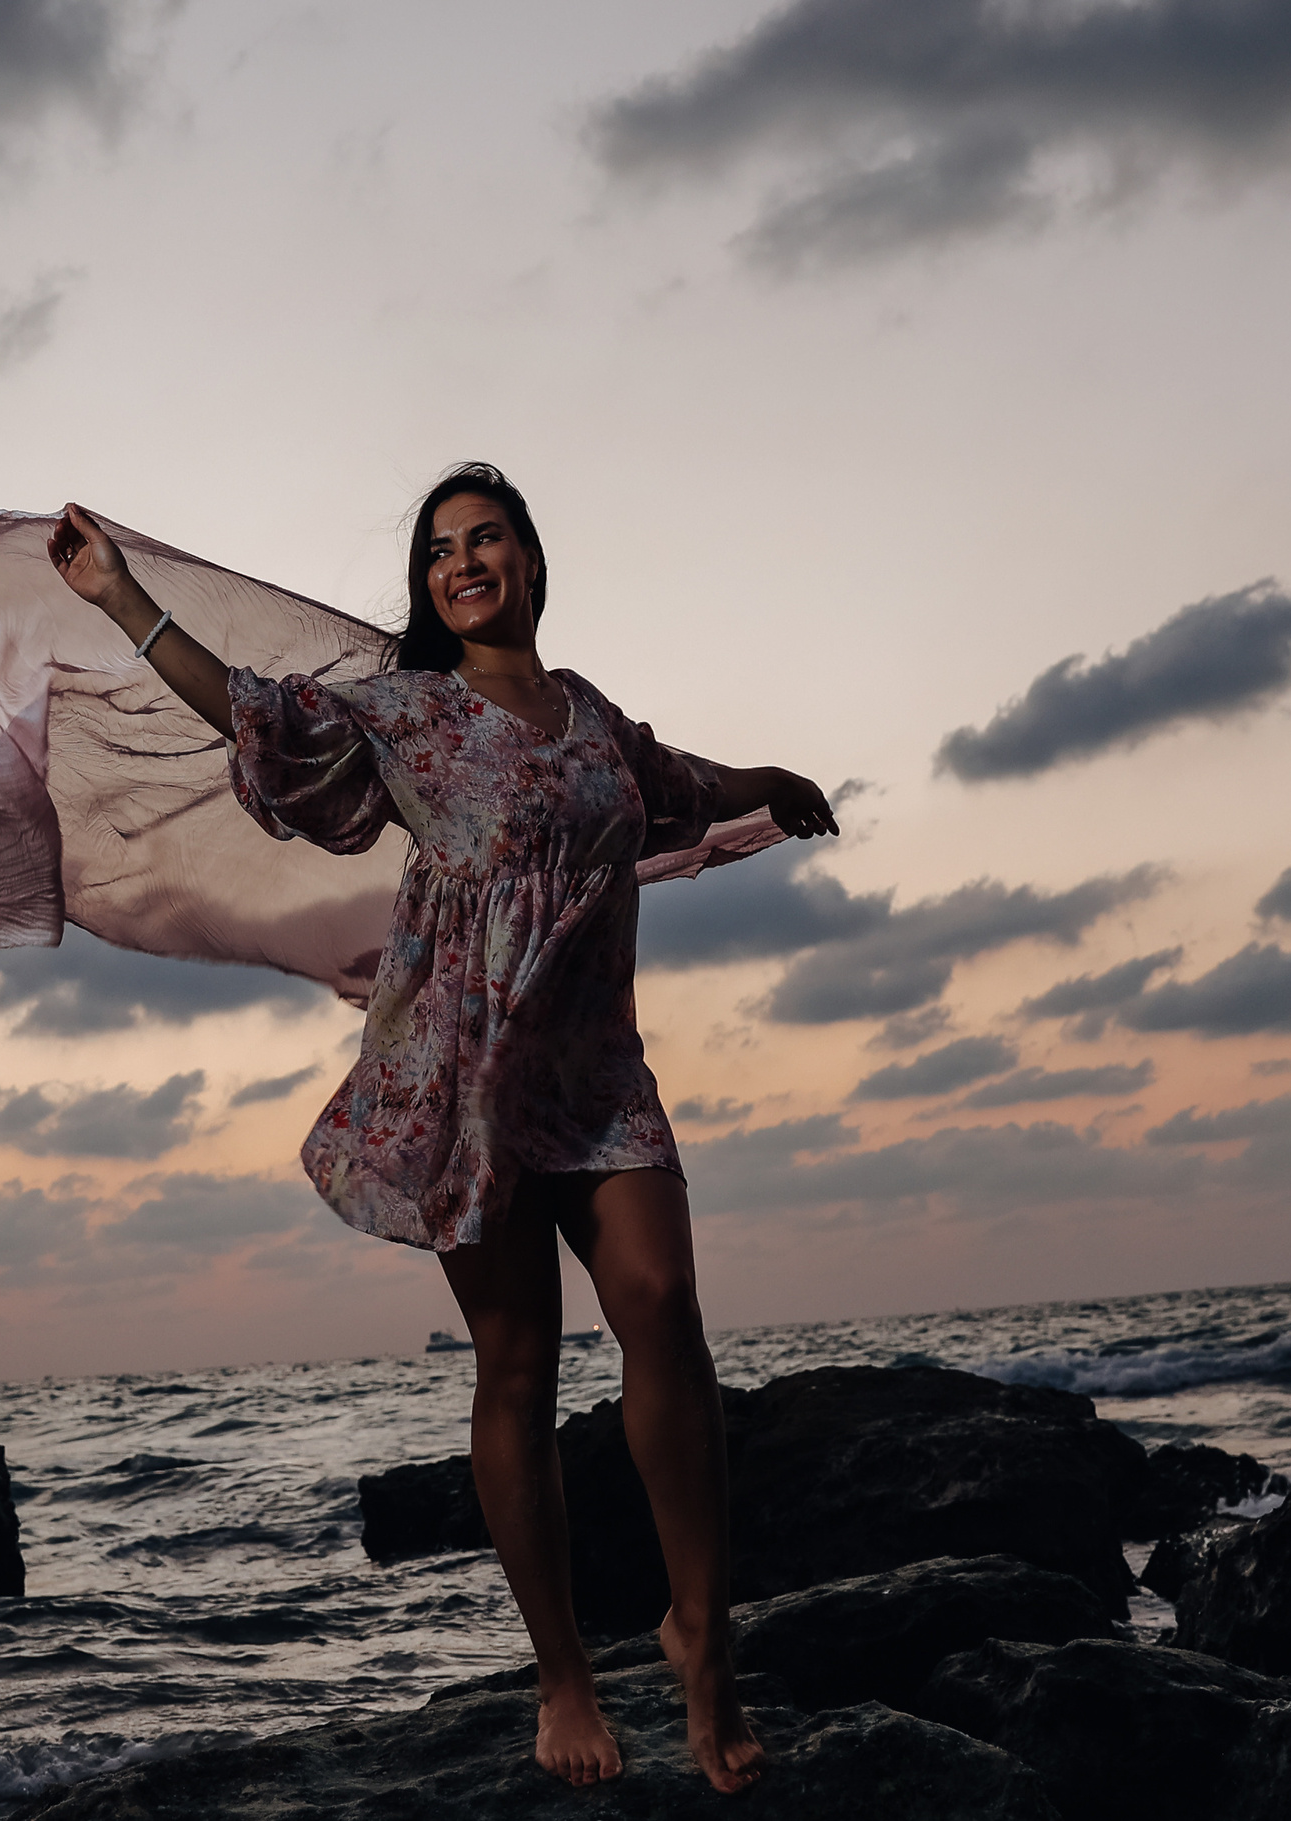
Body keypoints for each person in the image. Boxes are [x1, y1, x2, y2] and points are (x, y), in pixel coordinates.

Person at [45, 465, 836, 1795]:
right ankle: (563, 1673)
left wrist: (777, 779)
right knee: (517, 1364)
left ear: (530, 561)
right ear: (430, 585)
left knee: (663, 1305)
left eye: (486, 539)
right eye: (440, 550)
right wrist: (124, 598)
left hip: (595, 1072)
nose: (463, 562)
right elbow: (254, 712)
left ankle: (704, 1634)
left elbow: (680, 783)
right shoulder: (408, 711)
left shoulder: (590, 714)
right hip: (466, 1073)